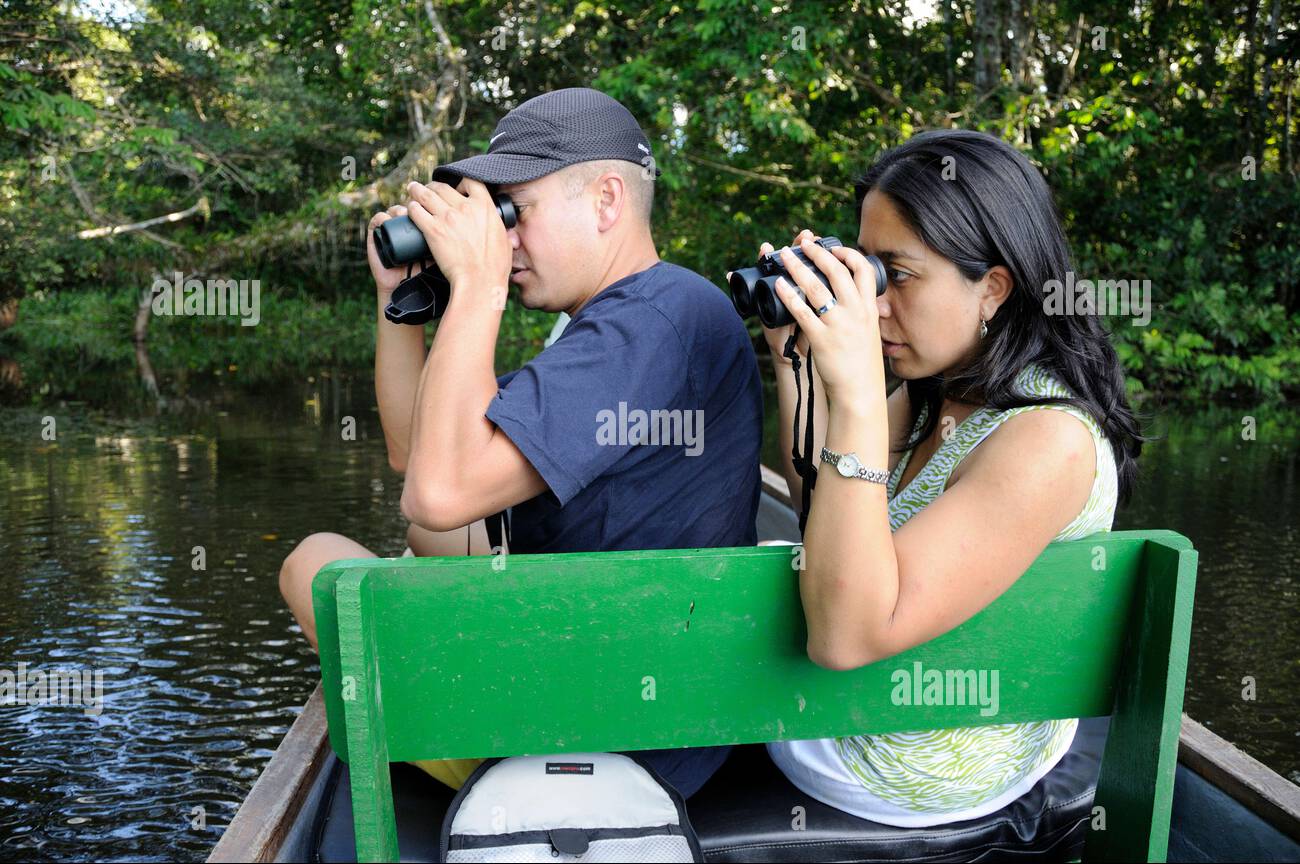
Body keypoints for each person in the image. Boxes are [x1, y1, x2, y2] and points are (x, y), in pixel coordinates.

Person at [278, 87, 763, 798]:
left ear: (605, 201)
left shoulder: (655, 319)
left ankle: (454, 751)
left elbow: (439, 490)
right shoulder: (625, 318)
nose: (501, 239)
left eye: (514, 213)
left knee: (316, 561)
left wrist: (479, 285)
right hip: (616, 686)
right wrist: (402, 306)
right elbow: (419, 455)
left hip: (592, 744)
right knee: (421, 535)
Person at [758, 128, 1144, 826]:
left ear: (993, 286)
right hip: (872, 711)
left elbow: (843, 638)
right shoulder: (944, 384)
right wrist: (798, 365)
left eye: (896, 274)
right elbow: (823, 498)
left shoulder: (1047, 440)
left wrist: (854, 394)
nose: (874, 303)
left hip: (913, 769)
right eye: (866, 270)